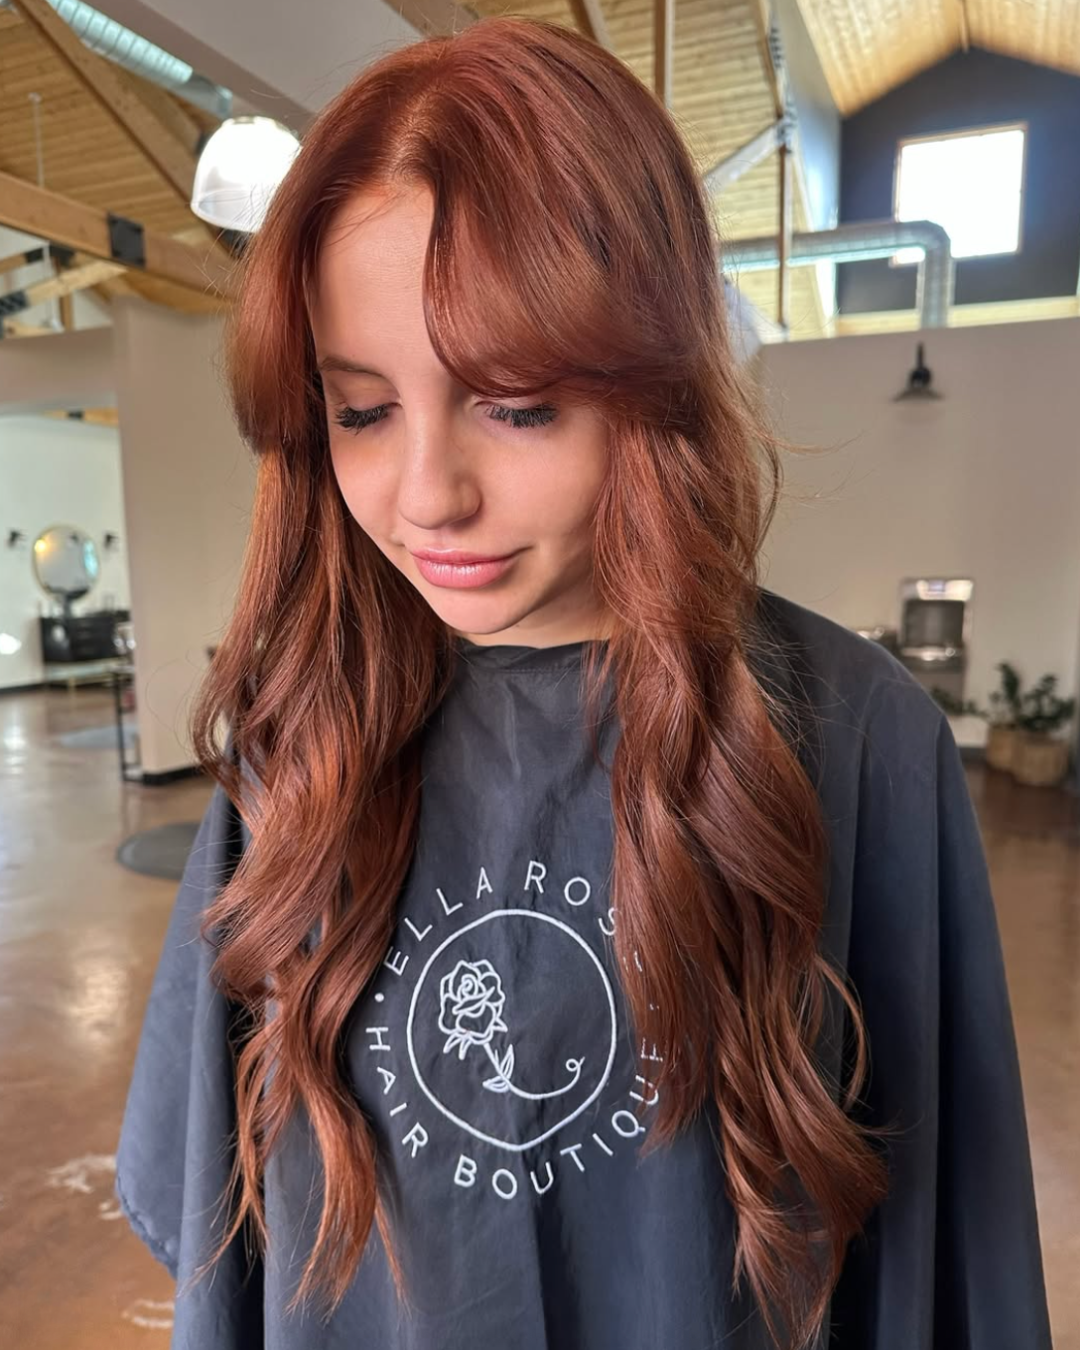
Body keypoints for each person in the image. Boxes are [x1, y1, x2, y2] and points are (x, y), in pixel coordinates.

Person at [114, 15, 1052, 1350]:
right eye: (363, 409)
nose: (426, 493)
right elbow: (227, 1227)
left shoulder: (855, 738)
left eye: (515, 401)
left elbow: (944, 1246)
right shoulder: (301, 740)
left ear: (651, 378)